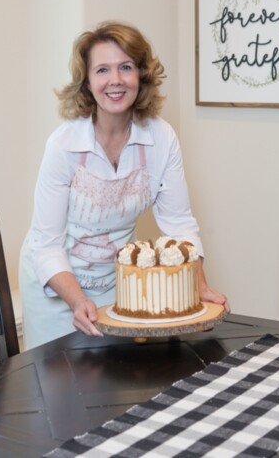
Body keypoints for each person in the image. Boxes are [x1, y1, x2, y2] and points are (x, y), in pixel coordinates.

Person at [19, 21, 230, 350]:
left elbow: (179, 224)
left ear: (141, 76)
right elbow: (46, 245)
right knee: (58, 388)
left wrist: (197, 286)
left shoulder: (161, 138)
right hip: (56, 287)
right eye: (102, 69)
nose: (115, 80)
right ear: (87, 82)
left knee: (118, 380)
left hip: (119, 286)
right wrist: (77, 301)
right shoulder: (63, 145)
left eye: (126, 67)